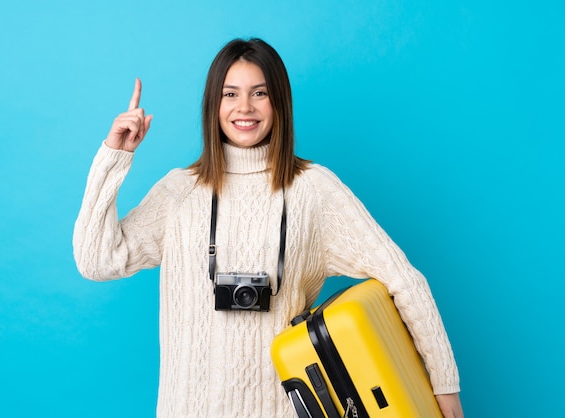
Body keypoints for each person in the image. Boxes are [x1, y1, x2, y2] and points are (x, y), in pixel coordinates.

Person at [73, 38, 464, 417]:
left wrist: (444, 384)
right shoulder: (180, 191)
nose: (245, 107)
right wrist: (114, 157)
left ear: (279, 103)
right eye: (230, 94)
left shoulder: (315, 190)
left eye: (259, 93)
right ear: (213, 104)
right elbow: (97, 261)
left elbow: (404, 280)